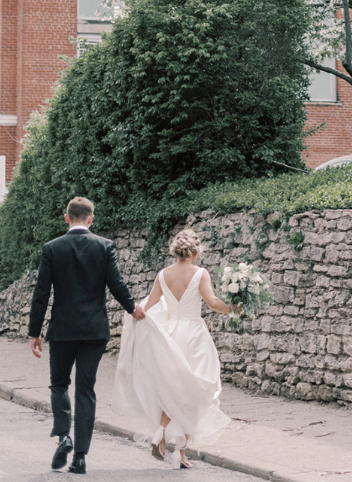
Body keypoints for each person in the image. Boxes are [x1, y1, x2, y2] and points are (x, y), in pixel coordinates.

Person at [28, 196, 145, 475]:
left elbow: (41, 294)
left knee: (58, 384)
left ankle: (63, 436)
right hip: (94, 330)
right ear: (90, 219)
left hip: (64, 330)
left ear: (67, 217)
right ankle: (80, 458)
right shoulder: (104, 246)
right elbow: (116, 283)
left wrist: (34, 332)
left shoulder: (52, 248)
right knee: (85, 390)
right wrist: (133, 308)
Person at [112, 227, 237, 468]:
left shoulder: (163, 274)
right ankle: (179, 449)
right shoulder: (200, 273)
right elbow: (212, 303)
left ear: (175, 251)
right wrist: (234, 307)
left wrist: (135, 316)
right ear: (195, 251)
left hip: (169, 337)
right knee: (193, 393)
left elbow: (148, 304)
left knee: (172, 391)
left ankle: (163, 436)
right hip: (194, 337)